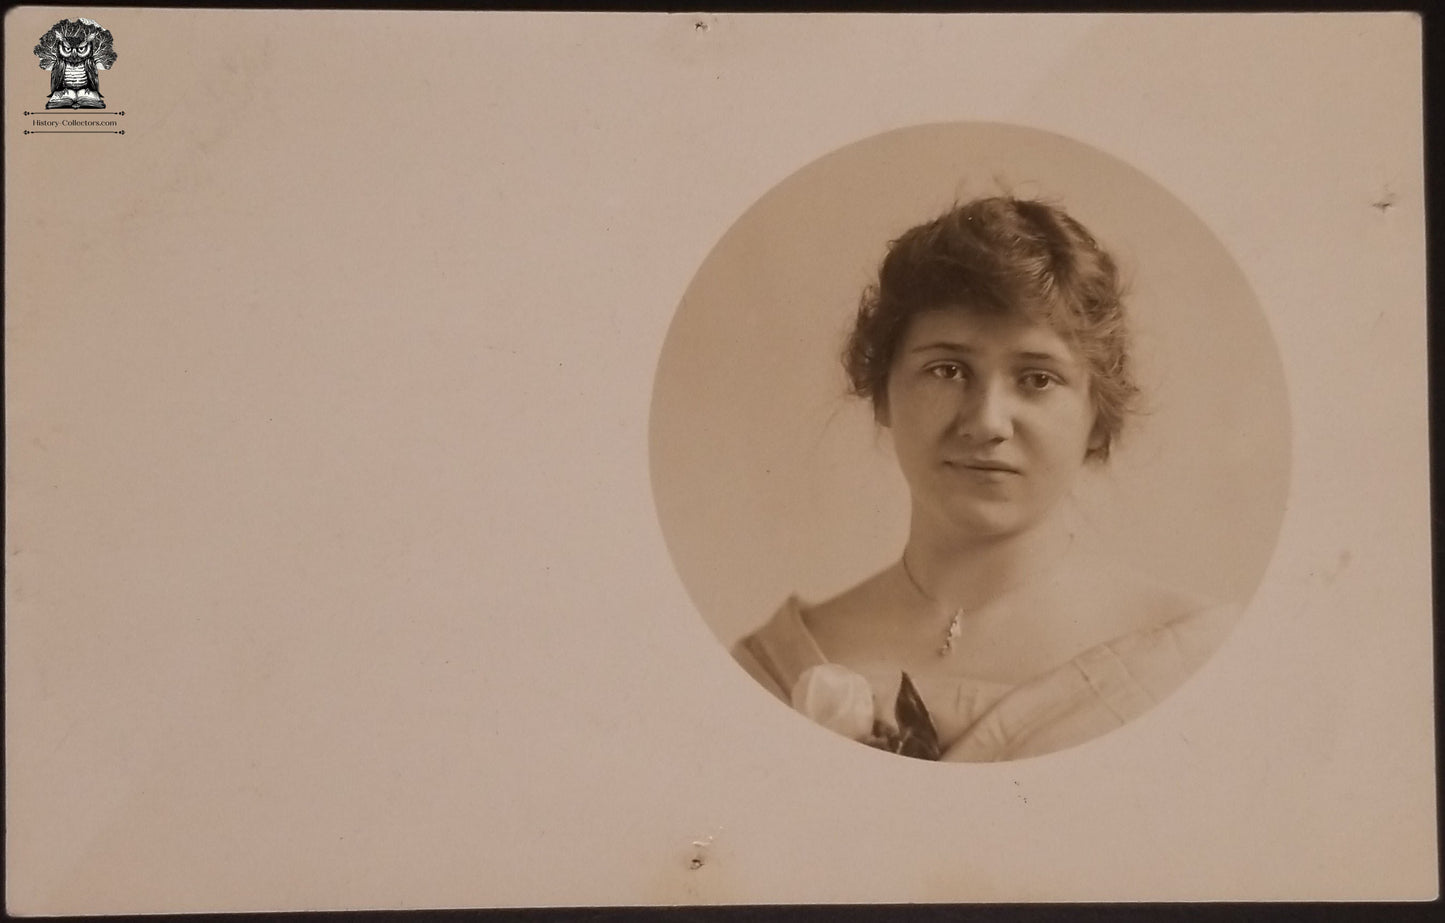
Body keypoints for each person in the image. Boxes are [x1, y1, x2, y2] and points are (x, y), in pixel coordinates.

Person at [732, 195, 1241, 762]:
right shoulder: (777, 668)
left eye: (1038, 379)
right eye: (947, 370)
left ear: (1098, 417)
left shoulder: (1195, 658)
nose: (986, 422)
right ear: (882, 394)